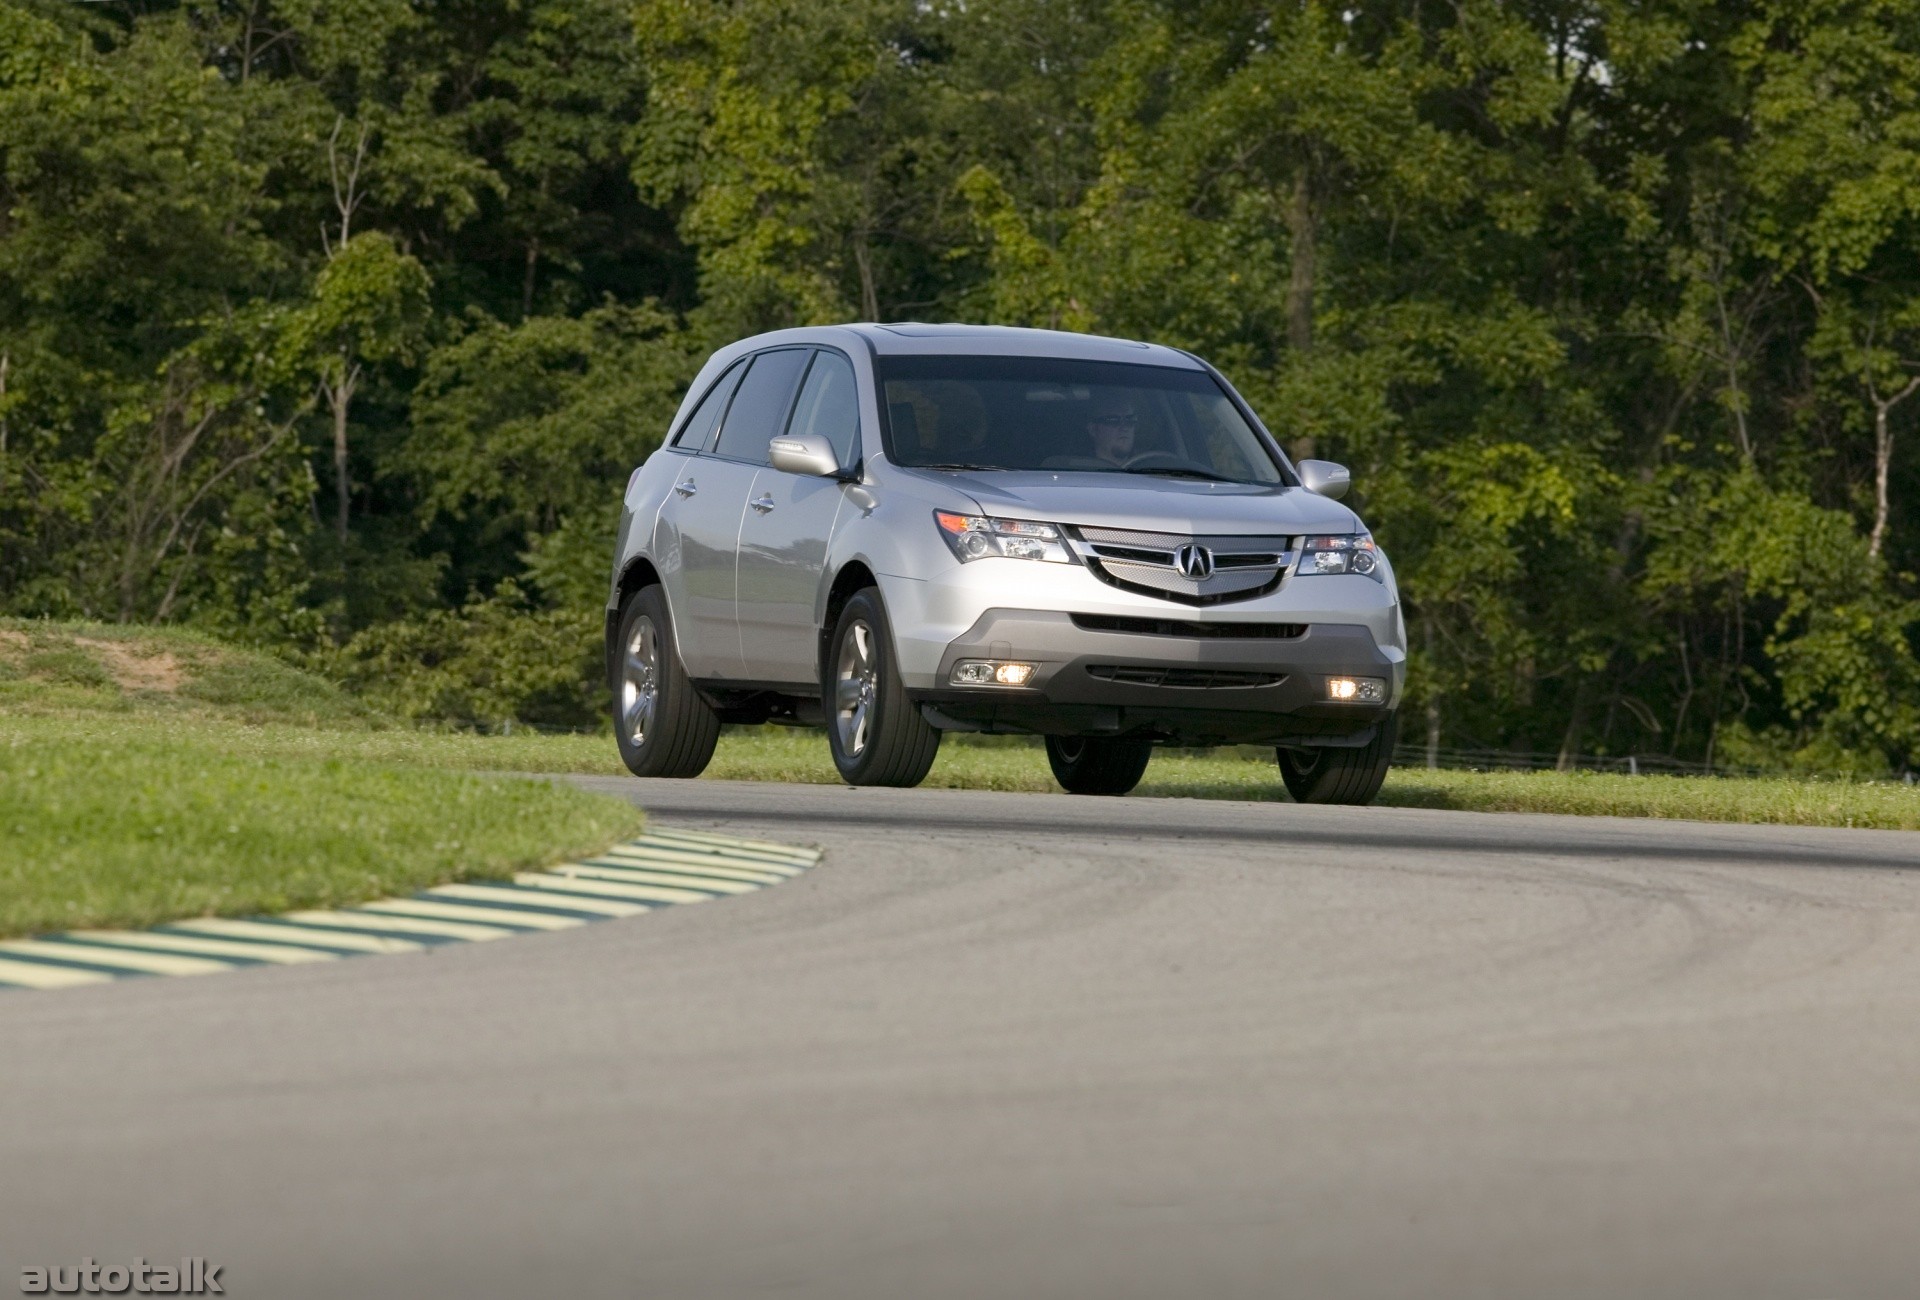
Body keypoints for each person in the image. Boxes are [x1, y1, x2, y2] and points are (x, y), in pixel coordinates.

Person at [1087, 398, 1137, 466]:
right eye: (1113, 421)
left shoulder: (1150, 467)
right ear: (1093, 429)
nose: (1124, 428)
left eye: (1130, 420)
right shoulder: (1078, 472)